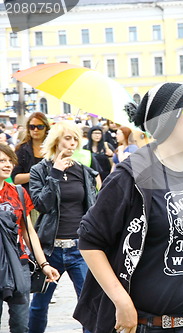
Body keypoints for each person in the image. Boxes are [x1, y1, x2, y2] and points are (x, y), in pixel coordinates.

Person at [74, 83, 183, 333]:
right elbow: (90, 241)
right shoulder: (131, 176)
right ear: (166, 119)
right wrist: (121, 301)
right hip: (145, 325)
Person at [28, 121, 100, 333]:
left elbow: (93, 207)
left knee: (89, 306)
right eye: (68, 138)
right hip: (50, 250)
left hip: (80, 249)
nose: (72, 143)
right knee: (39, 306)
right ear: (56, 141)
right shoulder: (39, 170)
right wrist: (56, 173)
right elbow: (41, 204)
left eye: (76, 138)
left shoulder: (84, 171)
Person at [0, 144, 59, 333]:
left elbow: (29, 232)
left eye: (10, 161)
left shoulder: (18, 192)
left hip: (19, 263)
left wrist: (44, 264)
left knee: (21, 324)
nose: (7, 165)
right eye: (2, 161)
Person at [12, 112, 51, 195]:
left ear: (46, 128)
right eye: (32, 127)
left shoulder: (54, 148)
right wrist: (37, 174)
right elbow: (15, 179)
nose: (35, 130)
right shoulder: (21, 149)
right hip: (29, 197)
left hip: (52, 195)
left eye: (40, 127)